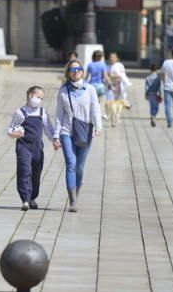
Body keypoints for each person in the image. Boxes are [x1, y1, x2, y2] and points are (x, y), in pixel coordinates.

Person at [55, 61, 102, 212]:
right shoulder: (63, 91)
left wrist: (98, 126)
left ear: (82, 71)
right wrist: (56, 135)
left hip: (85, 132)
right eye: (72, 69)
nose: (75, 71)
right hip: (66, 131)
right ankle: (72, 201)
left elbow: (95, 109)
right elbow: (59, 114)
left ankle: (76, 192)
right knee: (71, 163)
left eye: (78, 69)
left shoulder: (90, 89)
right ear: (68, 73)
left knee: (80, 167)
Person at [8, 86, 60, 210]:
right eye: (38, 97)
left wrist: (54, 140)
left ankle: (32, 197)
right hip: (23, 146)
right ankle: (25, 199)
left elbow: (48, 128)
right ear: (30, 95)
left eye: (42, 98)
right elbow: (10, 129)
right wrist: (15, 133)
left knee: (36, 172)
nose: (40, 100)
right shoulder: (20, 112)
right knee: (24, 170)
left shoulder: (42, 113)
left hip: (37, 147)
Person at [105, 54, 126, 127]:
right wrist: (113, 76)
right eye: (111, 57)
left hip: (118, 86)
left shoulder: (119, 66)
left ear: (117, 58)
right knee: (111, 104)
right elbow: (106, 76)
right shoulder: (107, 67)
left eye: (113, 57)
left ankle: (116, 118)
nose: (112, 59)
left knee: (117, 103)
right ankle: (112, 121)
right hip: (110, 86)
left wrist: (112, 76)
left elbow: (121, 76)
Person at [86, 50, 108, 117]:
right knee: (101, 103)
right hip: (100, 86)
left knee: (92, 102)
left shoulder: (90, 65)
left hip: (91, 86)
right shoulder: (103, 65)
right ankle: (100, 115)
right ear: (101, 57)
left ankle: (91, 115)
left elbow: (86, 77)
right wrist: (111, 84)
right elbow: (105, 76)